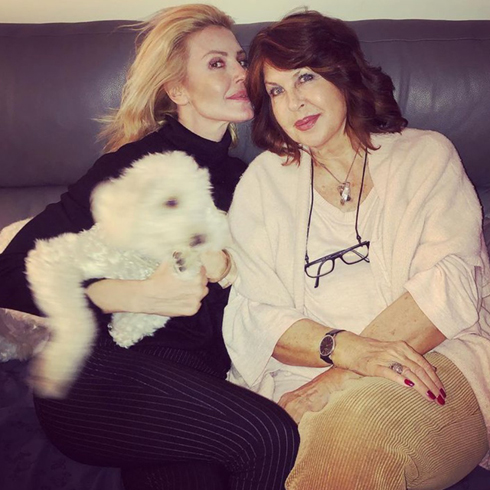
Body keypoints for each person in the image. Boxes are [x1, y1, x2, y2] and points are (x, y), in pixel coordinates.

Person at [0, 5, 299, 490]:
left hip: (192, 384)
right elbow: (10, 273)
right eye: (217, 63)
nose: (241, 74)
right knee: (271, 434)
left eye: (241, 60)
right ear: (177, 89)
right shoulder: (132, 167)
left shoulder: (249, 179)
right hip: (101, 375)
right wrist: (127, 294)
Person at [223, 11, 490, 490]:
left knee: (352, 436)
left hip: (431, 363)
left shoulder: (425, 156)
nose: (294, 102)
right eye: (276, 91)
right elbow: (256, 314)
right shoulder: (262, 183)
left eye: (305, 77)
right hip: (296, 385)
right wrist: (348, 351)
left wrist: (337, 379)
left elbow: (447, 289)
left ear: (342, 72)